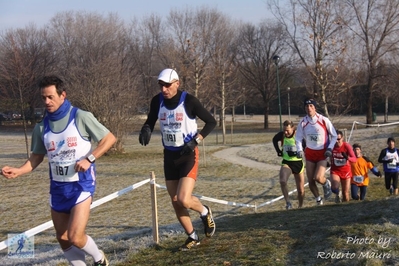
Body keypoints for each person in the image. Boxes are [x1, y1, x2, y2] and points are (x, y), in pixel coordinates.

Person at [1, 75, 116, 266]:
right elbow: (37, 157)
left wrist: (90, 158)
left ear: (63, 95)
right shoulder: (41, 127)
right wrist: (19, 171)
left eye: (50, 97)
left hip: (81, 185)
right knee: (63, 237)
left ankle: (99, 259)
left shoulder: (81, 117)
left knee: (75, 236)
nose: (46, 102)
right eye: (43, 98)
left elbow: (109, 139)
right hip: (57, 188)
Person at [138, 68, 217, 251]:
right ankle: (192, 236)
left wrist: (196, 141)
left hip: (188, 155)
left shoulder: (189, 101)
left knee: (183, 199)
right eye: (161, 86)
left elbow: (212, 122)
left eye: (167, 85)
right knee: (175, 200)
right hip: (170, 156)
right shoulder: (157, 101)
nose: (164, 90)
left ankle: (205, 212)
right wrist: (146, 129)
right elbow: (150, 120)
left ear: (177, 83)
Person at [295, 98, 337, 205]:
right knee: (310, 181)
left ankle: (326, 183)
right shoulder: (303, 122)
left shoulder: (323, 120)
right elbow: (298, 138)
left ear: (315, 108)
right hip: (309, 153)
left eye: (311, 106)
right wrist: (299, 150)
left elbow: (334, 135)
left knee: (318, 177)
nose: (309, 108)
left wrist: (330, 148)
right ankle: (318, 199)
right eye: (306, 106)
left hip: (322, 153)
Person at [272, 120, 305, 209]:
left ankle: (300, 206)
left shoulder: (298, 136)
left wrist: (301, 152)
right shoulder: (282, 135)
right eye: (284, 130)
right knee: (282, 181)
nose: (286, 132)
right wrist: (278, 151)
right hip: (287, 162)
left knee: (301, 191)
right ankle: (288, 203)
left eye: (288, 130)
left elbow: (305, 146)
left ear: (293, 128)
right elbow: (274, 140)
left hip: (298, 163)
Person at [330, 130, 356, 203]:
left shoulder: (346, 146)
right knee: (334, 188)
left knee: (346, 193)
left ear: (342, 138)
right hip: (335, 170)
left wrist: (348, 158)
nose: (336, 141)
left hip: (346, 171)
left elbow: (354, 159)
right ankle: (338, 193)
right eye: (335, 139)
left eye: (338, 139)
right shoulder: (331, 146)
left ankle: (345, 208)